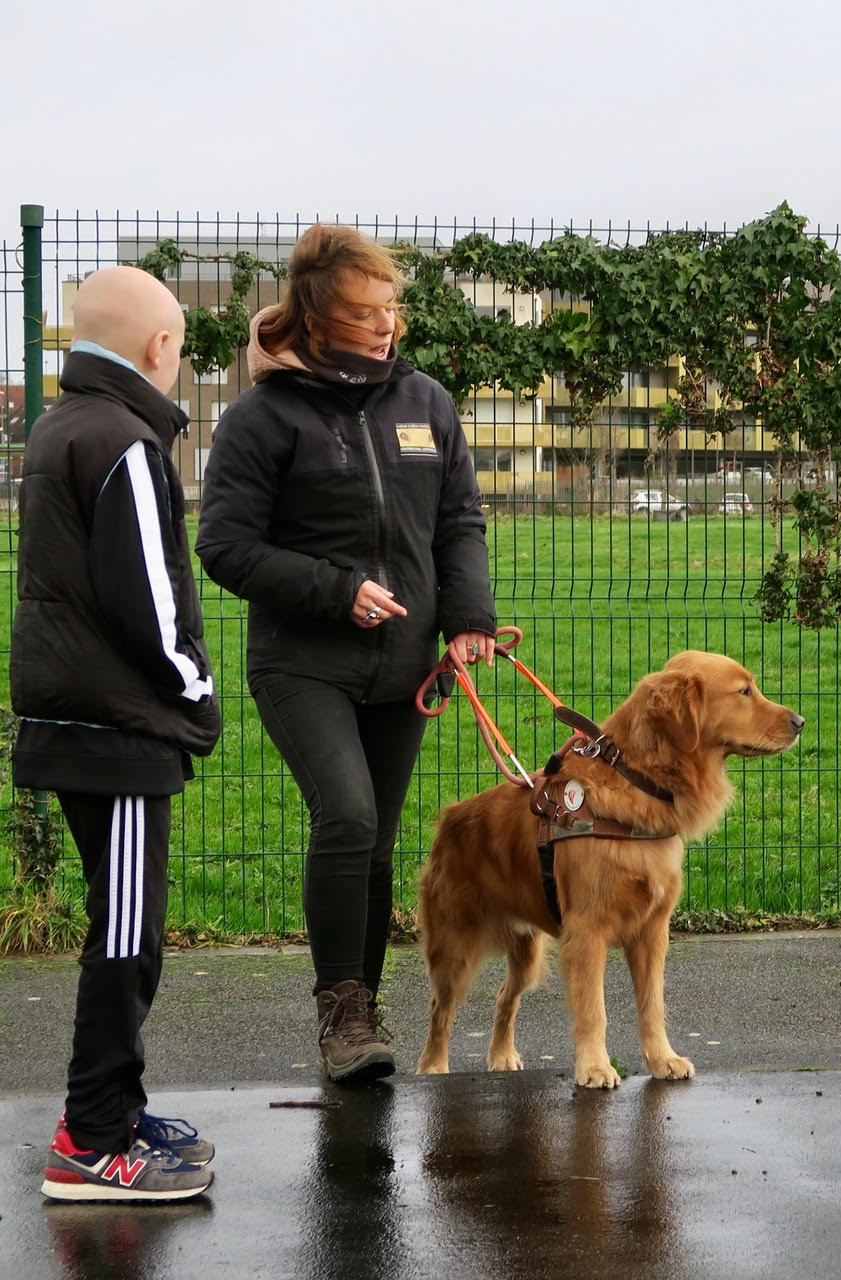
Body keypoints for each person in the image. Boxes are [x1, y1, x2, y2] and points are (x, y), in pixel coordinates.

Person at [196, 224, 496, 1082]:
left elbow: (458, 521)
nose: (384, 325)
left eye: (389, 307)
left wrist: (467, 616)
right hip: (305, 662)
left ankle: (365, 1009)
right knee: (347, 816)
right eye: (365, 312)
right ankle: (341, 1013)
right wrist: (335, 588)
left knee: (374, 843)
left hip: (405, 666)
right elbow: (223, 546)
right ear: (319, 317)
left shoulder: (425, 403)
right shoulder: (263, 416)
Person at [10, 266, 221, 1201]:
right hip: (118, 729)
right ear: (158, 348)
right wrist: (196, 695)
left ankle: (112, 1109)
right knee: (128, 937)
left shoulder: (58, 426)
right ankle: (93, 1145)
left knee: (118, 925)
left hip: (76, 717)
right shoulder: (126, 441)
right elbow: (150, 597)